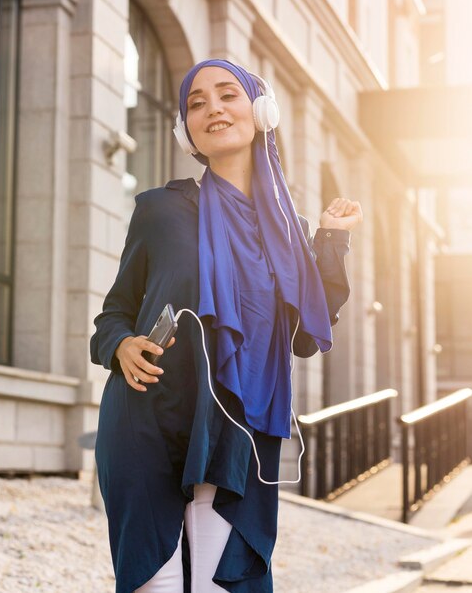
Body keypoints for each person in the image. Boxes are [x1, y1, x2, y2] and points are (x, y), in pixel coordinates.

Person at [90, 58, 363, 593]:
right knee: (157, 584)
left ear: (262, 111)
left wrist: (330, 242)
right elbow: (113, 314)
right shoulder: (159, 210)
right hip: (147, 417)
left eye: (227, 94)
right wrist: (120, 345)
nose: (211, 107)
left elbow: (307, 337)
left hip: (238, 430)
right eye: (196, 102)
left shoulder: (291, 230)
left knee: (222, 585)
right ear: (185, 128)